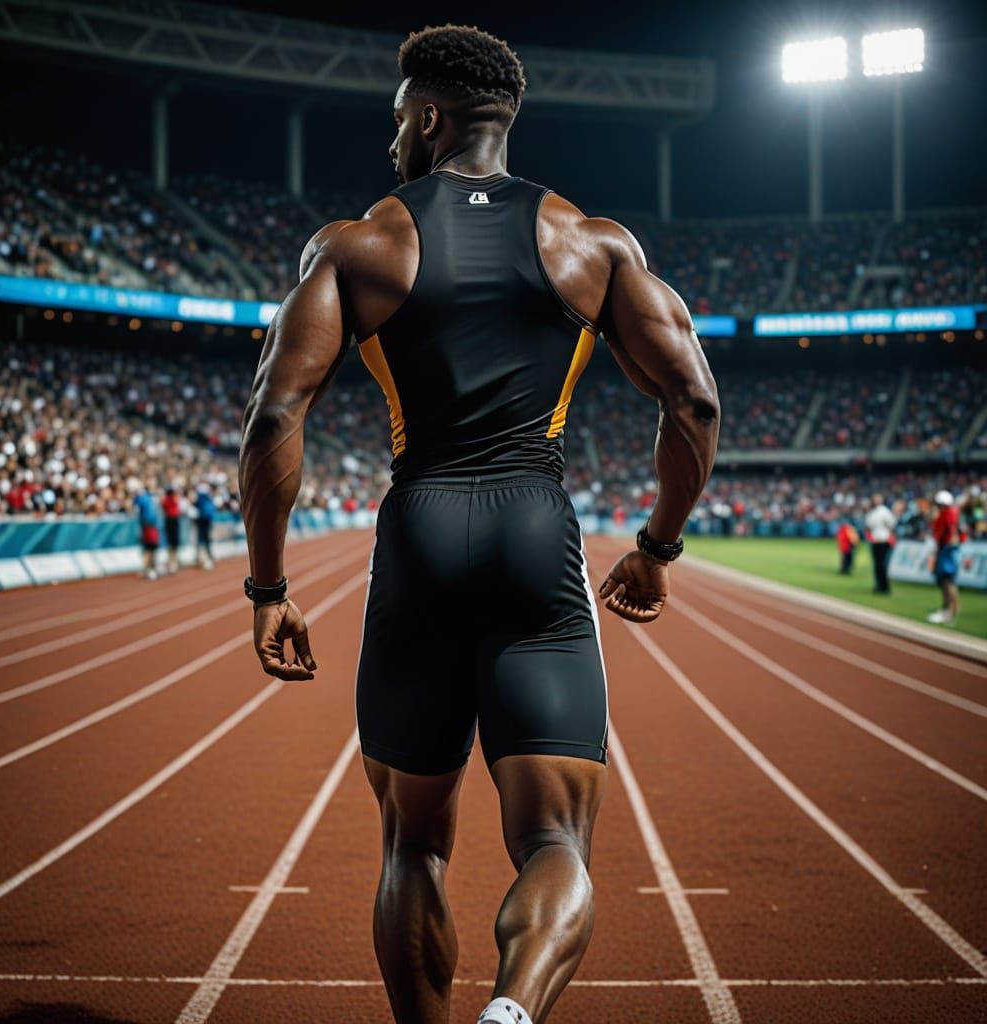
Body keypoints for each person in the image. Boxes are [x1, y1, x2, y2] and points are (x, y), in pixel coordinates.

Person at [237, 24, 719, 1024]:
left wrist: (270, 588)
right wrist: (657, 547)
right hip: (533, 531)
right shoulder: (592, 244)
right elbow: (695, 403)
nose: (389, 146)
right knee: (554, 843)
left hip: (416, 530)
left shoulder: (356, 244)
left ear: (425, 116)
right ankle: (512, 1013)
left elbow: (275, 414)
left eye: (393, 125)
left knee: (411, 844)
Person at [928, 489, 961, 624]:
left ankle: (951, 610)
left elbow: (950, 532)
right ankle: (947, 608)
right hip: (945, 548)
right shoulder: (948, 513)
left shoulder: (948, 514)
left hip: (947, 549)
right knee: (944, 581)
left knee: (948, 581)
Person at [864, 493, 896, 595]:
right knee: (877, 565)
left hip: (883, 540)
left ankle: (885, 587)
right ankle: (879, 585)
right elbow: (868, 525)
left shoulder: (884, 511)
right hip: (875, 540)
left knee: (882, 565)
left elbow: (891, 523)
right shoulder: (872, 512)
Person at [132, 480, 161, 580]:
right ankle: (149, 568)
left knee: (151, 548)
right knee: (149, 548)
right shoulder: (146, 497)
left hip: (151, 526)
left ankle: (151, 568)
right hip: (148, 526)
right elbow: (135, 506)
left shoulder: (151, 497)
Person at [161, 485, 183, 574]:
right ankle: (173, 561)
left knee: (172, 542)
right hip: (172, 520)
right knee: (173, 542)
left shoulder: (166, 499)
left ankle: (173, 561)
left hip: (170, 520)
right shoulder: (172, 499)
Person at [194, 481, 216, 570]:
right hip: (204, 520)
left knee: (203, 539)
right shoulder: (206, 498)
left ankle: (205, 558)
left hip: (203, 520)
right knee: (204, 539)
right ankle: (205, 558)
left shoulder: (203, 499)